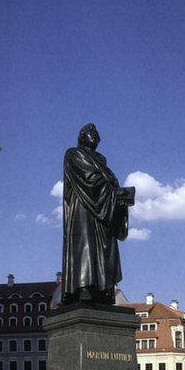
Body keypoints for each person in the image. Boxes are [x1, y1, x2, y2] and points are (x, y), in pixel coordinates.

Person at [61, 123, 135, 305]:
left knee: (105, 248)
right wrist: (117, 193)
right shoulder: (74, 154)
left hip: (105, 211)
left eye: (97, 133)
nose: (96, 136)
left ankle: (104, 289)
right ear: (81, 136)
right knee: (84, 246)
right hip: (83, 209)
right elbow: (90, 179)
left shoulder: (101, 160)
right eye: (91, 133)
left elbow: (107, 182)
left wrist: (118, 197)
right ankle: (83, 287)